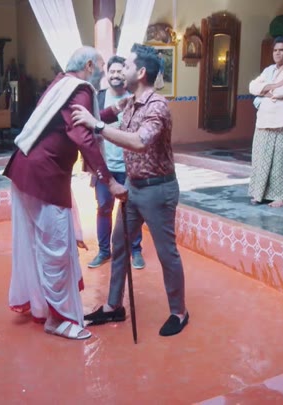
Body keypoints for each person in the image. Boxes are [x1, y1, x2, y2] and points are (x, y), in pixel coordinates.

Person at [4, 46, 127, 341]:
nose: (102, 77)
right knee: (56, 247)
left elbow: (80, 120)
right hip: (44, 178)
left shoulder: (62, 82)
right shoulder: (80, 89)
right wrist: (109, 180)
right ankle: (57, 320)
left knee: (43, 243)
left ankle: (46, 306)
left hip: (26, 171)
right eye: (100, 69)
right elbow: (83, 135)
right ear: (89, 66)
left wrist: (115, 110)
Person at [71, 43, 189, 337]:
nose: (121, 70)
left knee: (166, 253)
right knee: (120, 245)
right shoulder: (130, 103)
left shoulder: (157, 105)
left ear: (142, 71)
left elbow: (139, 141)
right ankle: (114, 306)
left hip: (158, 190)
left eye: (127, 65)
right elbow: (111, 118)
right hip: (133, 187)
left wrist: (97, 126)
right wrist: (100, 117)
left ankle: (179, 312)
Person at [88, 55, 145, 270]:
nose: (116, 75)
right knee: (104, 208)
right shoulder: (99, 98)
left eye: (120, 71)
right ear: (107, 74)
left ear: (126, 74)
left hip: (130, 167)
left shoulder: (135, 98)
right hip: (105, 167)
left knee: (132, 210)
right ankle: (104, 251)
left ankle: (135, 250)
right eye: (112, 71)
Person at [248, 36, 283, 208]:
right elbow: (252, 87)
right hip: (263, 120)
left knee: (280, 159)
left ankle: (280, 196)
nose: (277, 53)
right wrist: (276, 84)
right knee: (260, 158)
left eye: (282, 50)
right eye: (275, 50)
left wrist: (265, 90)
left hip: (282, 120)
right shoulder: (268, 70)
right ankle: (259, 194)